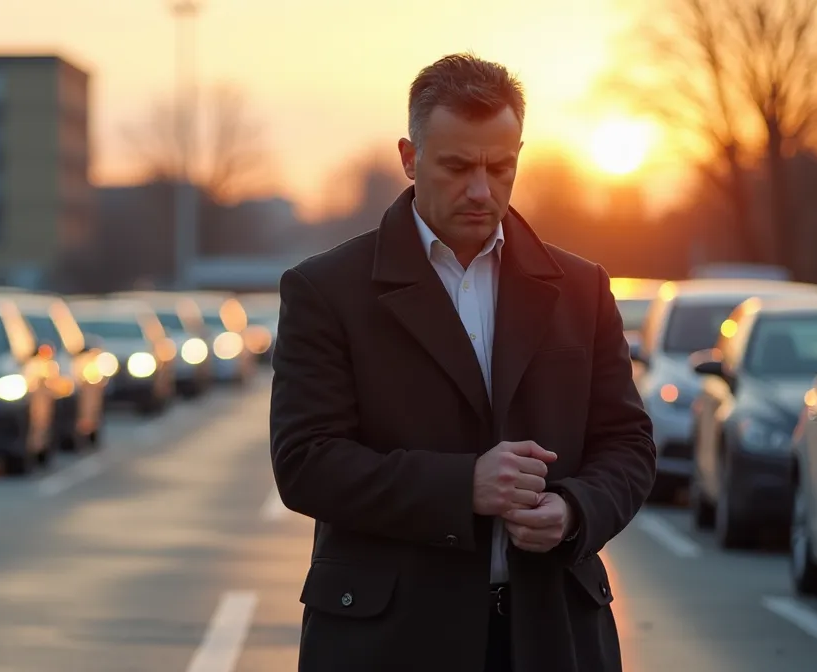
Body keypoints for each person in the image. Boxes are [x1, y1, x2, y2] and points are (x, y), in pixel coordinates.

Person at [269, 53, 656, 672]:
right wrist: (463, 487)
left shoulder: (584, 288)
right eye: (455, 167)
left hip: (554, 633)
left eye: (500, 167)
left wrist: (575, 511)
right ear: (409, 156)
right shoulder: (326, 290)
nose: (481, 190)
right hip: (387, 643)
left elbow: (628, 444)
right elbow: (305, 463)